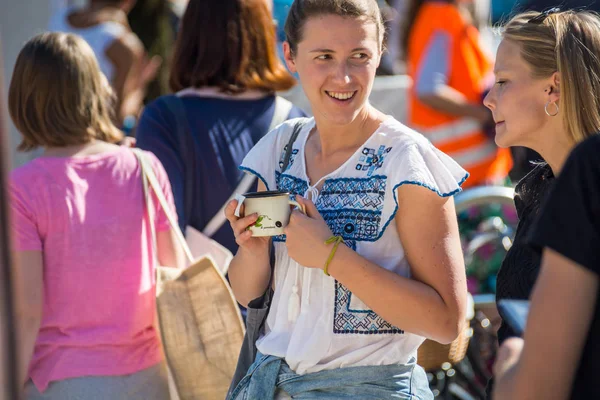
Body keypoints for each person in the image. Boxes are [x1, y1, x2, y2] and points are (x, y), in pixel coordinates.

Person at [225, 0, 469, 398]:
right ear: (290, 55)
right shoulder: (280, 148)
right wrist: (251, 251)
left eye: (359, 56)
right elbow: (247, 293)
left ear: (379, 54)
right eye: (324, 56)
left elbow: (446, 321)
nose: (343, 76)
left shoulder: (408, 162)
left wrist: (331, 255)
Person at [8, 32, 183, 399]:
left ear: (24, 100)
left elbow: (27, 312)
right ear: (95, 90)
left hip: (60, 382)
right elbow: (176, 275)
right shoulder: (145, 167)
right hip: (148, 379)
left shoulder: (21, 189)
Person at [135, 0, 305, 255]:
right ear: (264, 33)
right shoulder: (295, 121)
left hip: (195, 290)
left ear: (188, 34)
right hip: (278, 293)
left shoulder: (161, 118)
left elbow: (162, 237)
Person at [483, 9, 600, 345]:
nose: (489, 100)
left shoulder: (587, 196)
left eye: (503, 81)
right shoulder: (544, 188)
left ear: (553, 88)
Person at [492, 133, 600, 399]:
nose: (490, 101)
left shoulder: (590, 165)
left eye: (503, 87)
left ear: (552, 91)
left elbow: (537, 391)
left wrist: (509, 359)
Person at [404, 0, 513, 187]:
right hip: (462, 176)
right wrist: (484, 114)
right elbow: (428, 90)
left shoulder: (446, 15)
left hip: (470, 172)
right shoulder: (443, 16)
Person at [48, 0, 161, 128]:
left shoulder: (60, 18)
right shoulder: (122, 44)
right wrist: (142, 84)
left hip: (50, 128)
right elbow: (116, 116)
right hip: (91, 135)